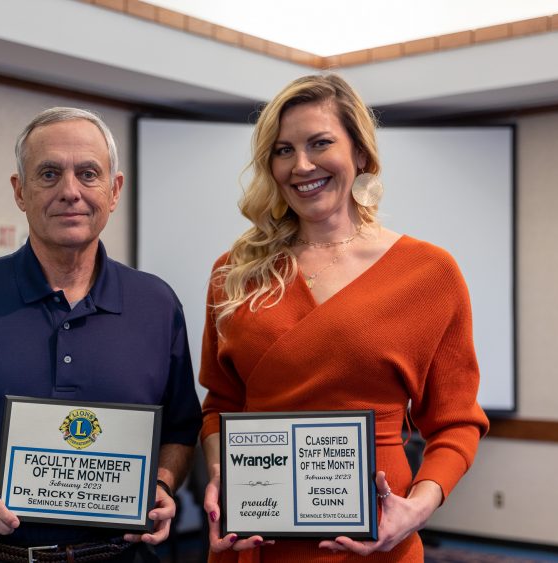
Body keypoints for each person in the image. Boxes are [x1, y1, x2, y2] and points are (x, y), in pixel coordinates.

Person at [0, 107, 202, 562]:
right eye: (49, 174)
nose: (69, 191)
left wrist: (163, 484)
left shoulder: (157, 305)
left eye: (88, 173)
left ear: (114, 191)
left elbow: (180, 429)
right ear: (20, 191)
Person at [199, 74, 489, 562]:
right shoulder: (234, 271)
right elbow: (219, 405)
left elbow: (456, 423)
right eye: (283, 150)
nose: (302, 165)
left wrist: (417, 508)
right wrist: (220, 476)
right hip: (254, 541)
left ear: (360, 153)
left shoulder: (430, 273)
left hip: (377, 541)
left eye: (320, 144)